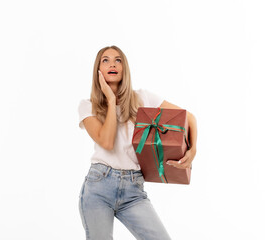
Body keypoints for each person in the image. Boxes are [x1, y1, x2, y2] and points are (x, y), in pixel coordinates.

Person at [77, 45, 197, 240]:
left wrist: (193, 149)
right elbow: (107, 142)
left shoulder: (141, 97)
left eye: (118, 60)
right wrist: (110, 99)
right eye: (105, 60)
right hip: (99, 187)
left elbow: (189, 117)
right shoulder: (88, 106)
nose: (112, 64)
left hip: (133, 189)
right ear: (97, 70)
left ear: (125, 68)